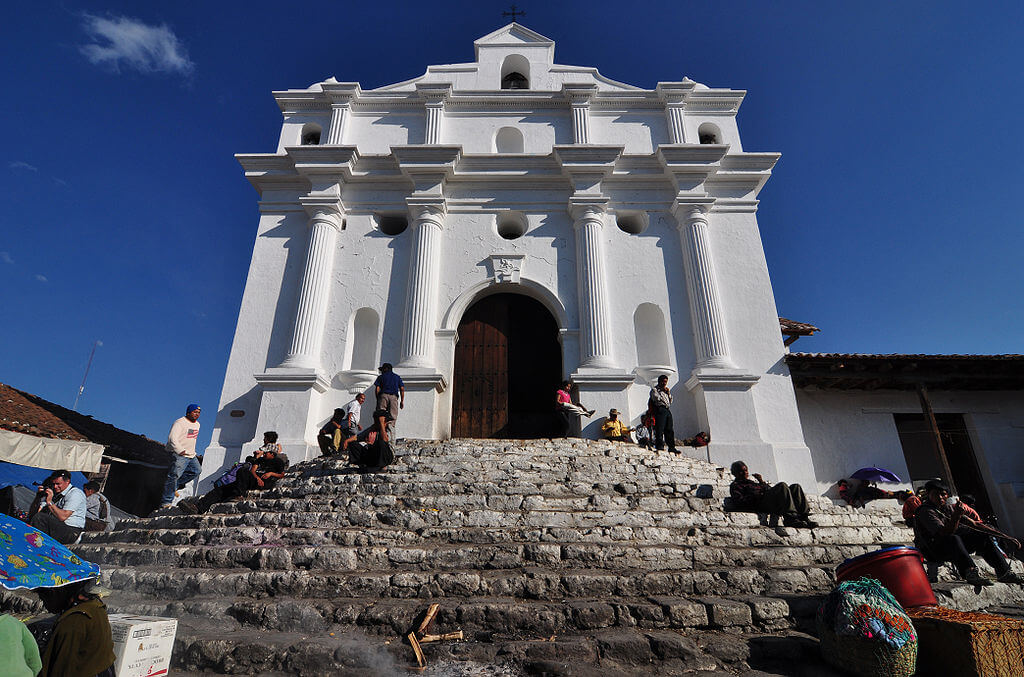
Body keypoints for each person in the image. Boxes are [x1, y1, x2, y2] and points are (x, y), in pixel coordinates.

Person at [913, 480, 1023, 586]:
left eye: (943, 494)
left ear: (947, 495)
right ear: (928, 494)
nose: (940, 498)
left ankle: (1004, 572)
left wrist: (1006, 537)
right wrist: (956, 516)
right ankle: (970, 572)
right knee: (953, 538)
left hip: (952, 547)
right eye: (936, 494)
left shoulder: (947, 508)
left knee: (981, 536)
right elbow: (945, 532)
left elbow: (975, 525)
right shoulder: (926, 511)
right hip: (933, 550)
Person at [34, 578, 116, 677]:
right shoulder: (96, 607)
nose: (43, 601)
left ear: (59, 592)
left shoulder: (73, 621)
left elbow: (62, 669)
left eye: (44, 595)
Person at [179, 446, 287, 515]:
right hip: (252, 480)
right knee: (220, 489)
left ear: (272, 454)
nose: (264, 454)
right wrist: (257, 477)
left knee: (242, 472)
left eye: (266, 452)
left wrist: (271, 473)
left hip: (265, 482)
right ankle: (198, 508)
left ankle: (238, 494)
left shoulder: (278, 462)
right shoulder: (260, 460)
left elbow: (282, 474)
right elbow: (253, 470)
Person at [729, 461, 817, 532]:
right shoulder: (736, 486)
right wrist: (756, 496)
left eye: (746, 470)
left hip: (768, 500)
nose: (745, 473)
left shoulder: (751, 483)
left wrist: (761, 481)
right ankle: (790, 518)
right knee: (782, 486)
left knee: (795, 487)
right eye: (742, 471)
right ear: (735, 473)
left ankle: (804, 517)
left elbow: (769, 489)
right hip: (760, 504)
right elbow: (740, 502)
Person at [160, 403, 202, 509]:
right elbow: (172, 438)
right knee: (174, 475)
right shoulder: (179, 422)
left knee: (196, 471)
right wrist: (180, 450)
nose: (197, 414)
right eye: (195, 412)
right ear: (188, 413)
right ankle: (166, 502)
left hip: (191, 454)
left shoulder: (197, 424)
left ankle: (174, 486)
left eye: (198, 413)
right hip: (180, 453)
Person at [28, 470, 87, 545]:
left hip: (72, 531)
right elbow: (34, 513)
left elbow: (63, 516)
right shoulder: (56, 494)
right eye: (54, 484)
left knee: (40, 518)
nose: (55, 487)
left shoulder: (75, 494)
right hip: (58, 528)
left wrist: (50, 502)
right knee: (34, 518)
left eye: (58, 484)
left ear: (67, 481)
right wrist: (38, 497)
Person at [373, 363, 404, 440]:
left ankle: (381, 431)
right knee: (392, 417)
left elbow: (377, 389)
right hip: (393, 397)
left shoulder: (381, 377)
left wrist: (378, 399)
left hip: (383, 395)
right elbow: (402, 389)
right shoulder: (397, 377)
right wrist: (402, 401)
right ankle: (390, 434)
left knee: (381, 413)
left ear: (385, 369)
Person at [648, 375, 677, 453]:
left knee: (669, 429)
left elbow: (670, 401)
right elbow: (657, 399)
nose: (664, 383)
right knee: (660, 428)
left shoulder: (666, 391)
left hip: (667, 409)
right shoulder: (655, 390)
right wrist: (661, 391)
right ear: (659, 381)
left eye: (666, 382)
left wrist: (668, 393)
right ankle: (660, 445)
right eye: (663, 381)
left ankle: (671, 447)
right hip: (660, 409)